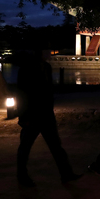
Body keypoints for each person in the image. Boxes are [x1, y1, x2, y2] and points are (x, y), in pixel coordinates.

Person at [15, 49, 82, 187]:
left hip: (46, 113)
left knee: (56, 146)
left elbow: (48, 90)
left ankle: (66, 173)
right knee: (26, 146)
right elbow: (21, 93)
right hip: (32, 113)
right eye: (47, 50)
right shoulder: (27, 68)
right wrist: (23, 115)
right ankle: (22, 175)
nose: (50, 53)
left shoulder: (47, 67)